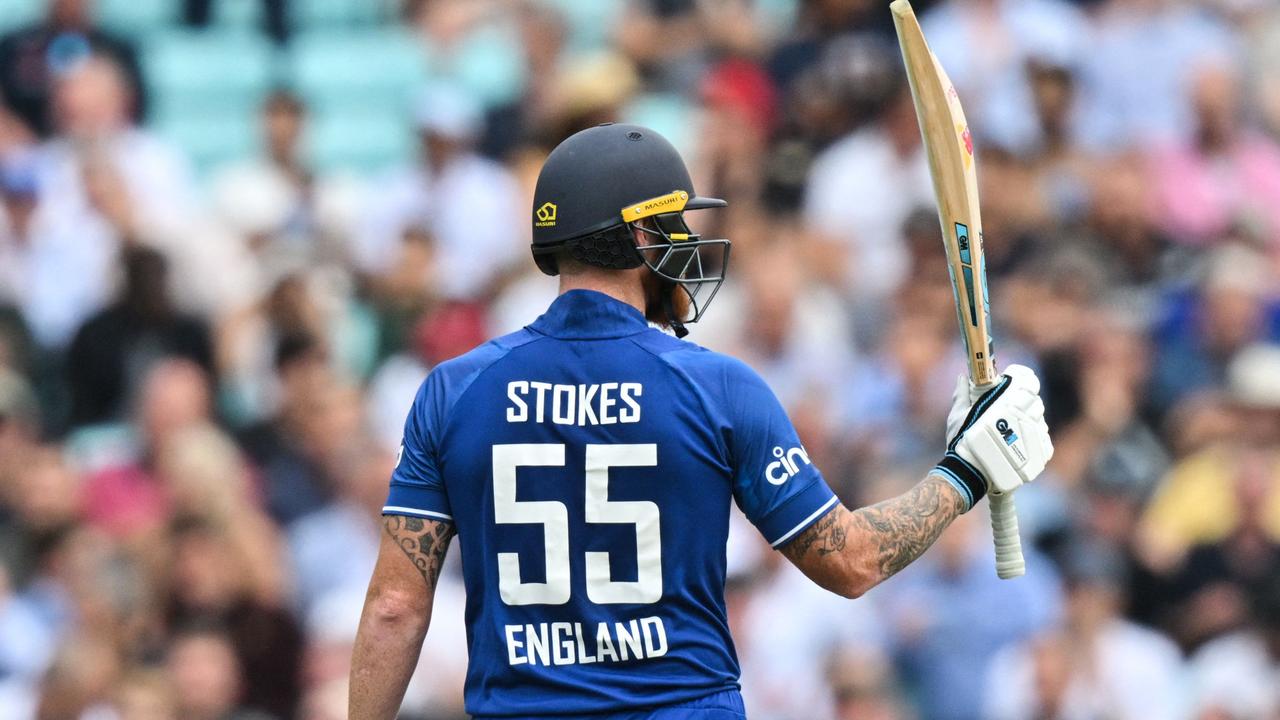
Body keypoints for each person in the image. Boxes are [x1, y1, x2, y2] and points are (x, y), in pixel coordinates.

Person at [348, 123, 1054, 719]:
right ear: (642, 238)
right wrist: (964, 472)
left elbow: (393, 609)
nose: (686, 245)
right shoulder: (719, 387)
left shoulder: (454, 391)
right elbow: (853, 560)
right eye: (673, 225)